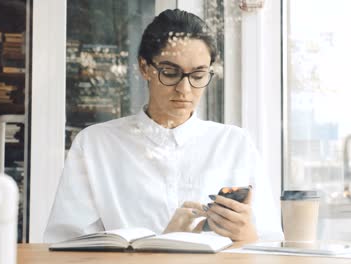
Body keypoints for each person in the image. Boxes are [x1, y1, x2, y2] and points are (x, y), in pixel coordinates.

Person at [44, 9, 282, 243]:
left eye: (198, 76)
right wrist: (164, 244)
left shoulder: (234, 144)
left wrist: (246, 235)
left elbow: (270, 244)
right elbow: (67, 248)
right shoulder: (95, 145)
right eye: (170, 73)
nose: (184, 89)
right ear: (144, 67)